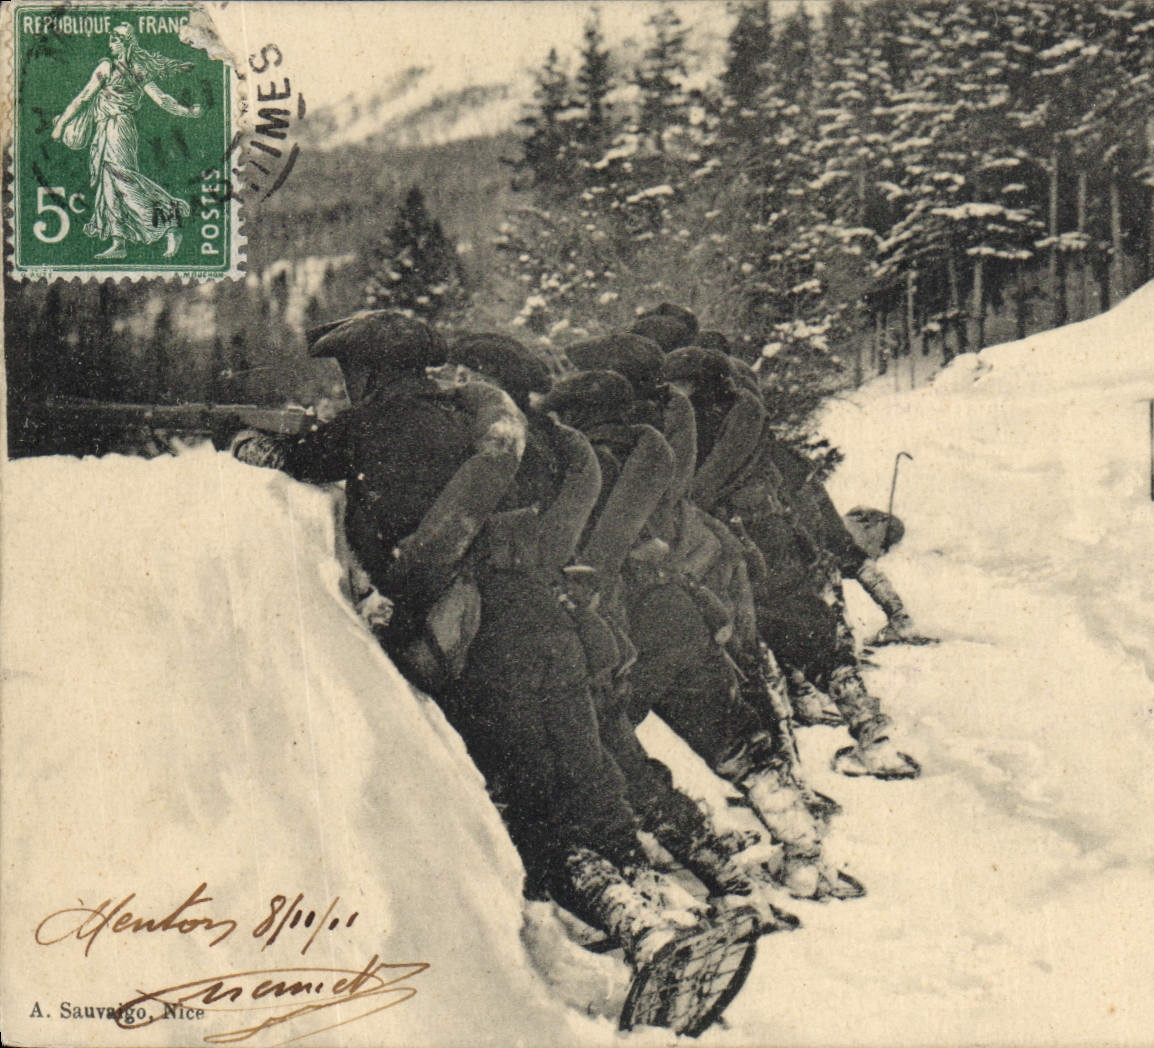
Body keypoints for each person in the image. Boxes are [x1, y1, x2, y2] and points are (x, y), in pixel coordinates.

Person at [231, 312, 723, 970]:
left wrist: (240, 441)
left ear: (369, 371)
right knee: (587, 777)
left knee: (523, 797)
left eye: (352, 373)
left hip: (477, 634)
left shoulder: (375, 423)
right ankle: (660, 907)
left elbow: (297, 461)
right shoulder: (483, 420)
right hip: (544, 615)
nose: (349, 386)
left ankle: (643, 936)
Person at [544, 360, 861, 901]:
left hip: (622, 629)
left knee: (614, 756)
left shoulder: (579, 468)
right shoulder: (656, 457)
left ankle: (699, 869)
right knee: (736, 744)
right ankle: (806, 860)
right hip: (677, 611)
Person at [662, 346, 921, 781]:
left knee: (752, 662)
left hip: (739, 554)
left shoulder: (696, 431)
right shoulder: (752, 430)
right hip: (780, 546)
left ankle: (786, 779)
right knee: (816, 642)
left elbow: (693, 494)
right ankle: (873, 737)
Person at [51, 23, 202, 260]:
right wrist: (187, 112)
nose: (109, 44)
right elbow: (162, 100)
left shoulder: (109, 67)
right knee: (109, 183)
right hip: (109, 129)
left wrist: (60, 126)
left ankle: (171, 221)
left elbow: (83, 98)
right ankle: (118, 241)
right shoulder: (135, 69)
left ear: (124, 44)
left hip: (117, 129)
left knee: (123, 180)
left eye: (113, 40)